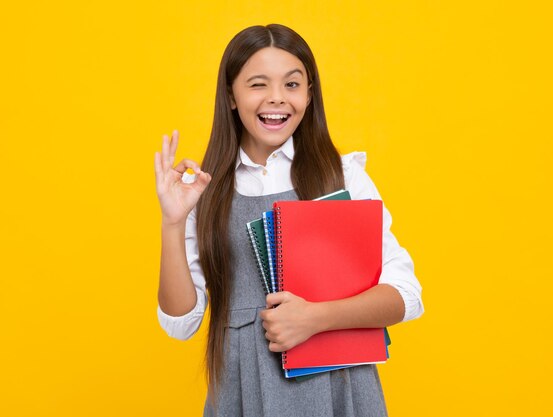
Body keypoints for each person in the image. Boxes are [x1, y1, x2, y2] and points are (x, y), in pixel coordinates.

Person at [154, 24, 423, 417]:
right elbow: (180, 324)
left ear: (310, 94)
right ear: (231, 95)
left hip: (339, 389)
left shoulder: (342, 175)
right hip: (242, 392)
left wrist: (315, 318)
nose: (277, 99)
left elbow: (405, 295)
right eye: (258, 84)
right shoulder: (204, 191)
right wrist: (173, 222)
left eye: (293, 85)